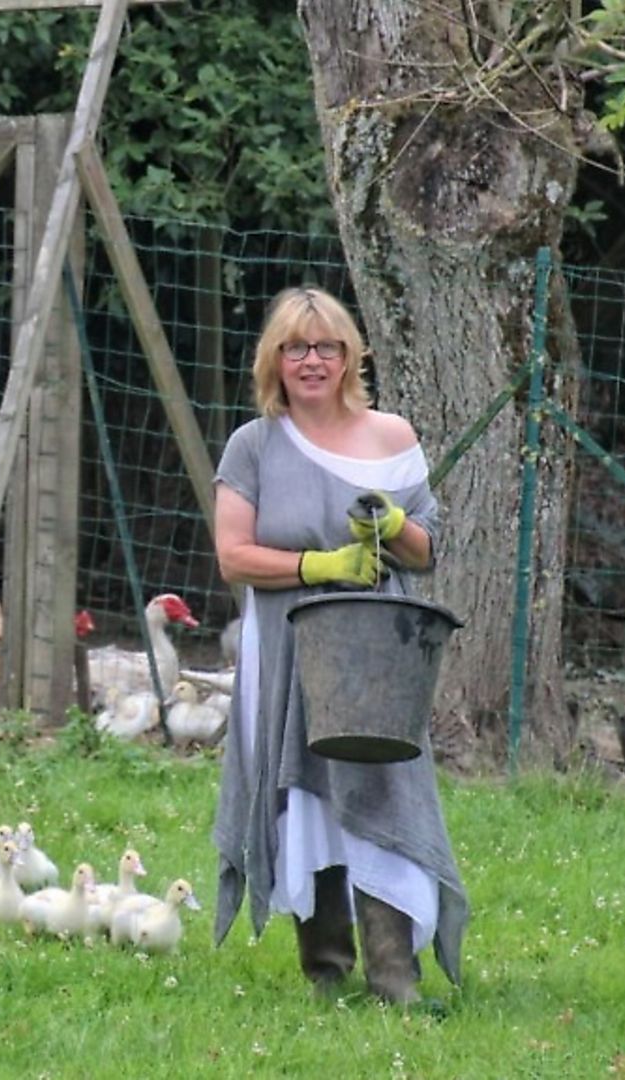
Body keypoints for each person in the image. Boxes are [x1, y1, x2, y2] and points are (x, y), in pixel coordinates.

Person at [208, 286, 467, 1005]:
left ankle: (395, 975)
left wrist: (392, 526)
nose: (312, 360)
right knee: (304, 797)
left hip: (376, 651)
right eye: (296, 347)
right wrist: (313, 567)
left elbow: (427, 551)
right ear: (275, 359)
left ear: (351, 357)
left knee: (385, 783)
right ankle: (325, 970)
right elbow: (232, 556)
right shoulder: (253, 445)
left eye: (327, 347)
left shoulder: (393, 438)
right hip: (285, 646)